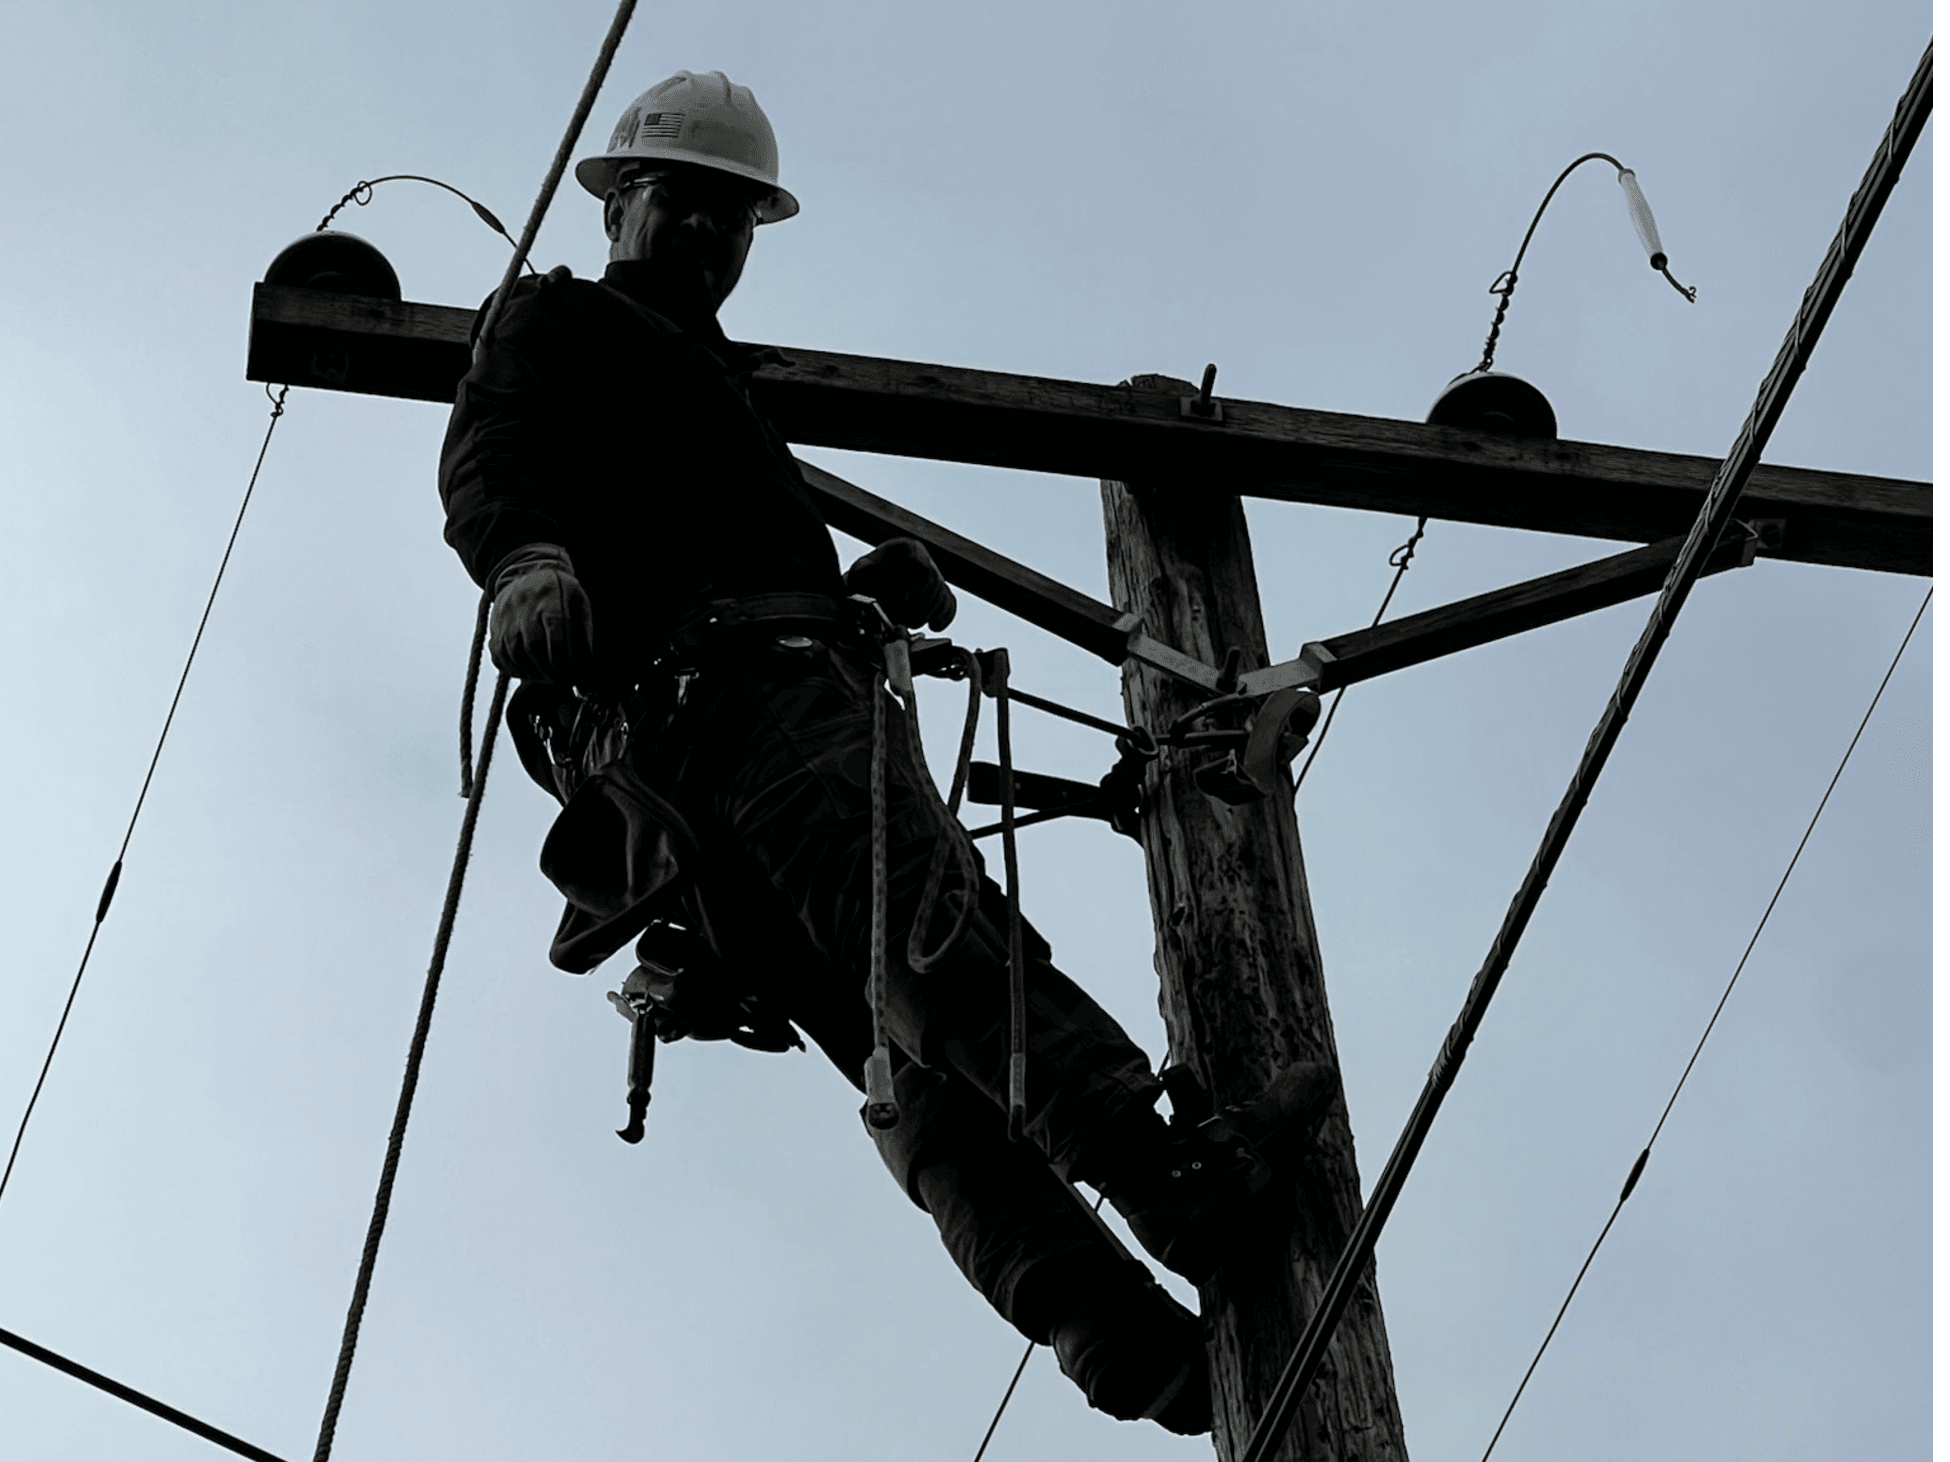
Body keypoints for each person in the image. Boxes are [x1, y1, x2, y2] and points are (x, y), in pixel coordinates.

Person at [439, 69, 1330, 1435]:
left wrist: (859, 591)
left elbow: (687, 544)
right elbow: (494, 448)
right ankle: (1177, 1189)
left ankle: (1117, 1336)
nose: (704, 236)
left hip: (703, 765)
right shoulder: (560, 317)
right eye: (680, 203)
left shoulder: (708, 388)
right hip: (739, 720)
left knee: (903, 1059)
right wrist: (524, 561)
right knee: (939, 946)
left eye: (731, 219)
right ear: (622, 202)